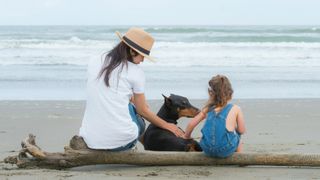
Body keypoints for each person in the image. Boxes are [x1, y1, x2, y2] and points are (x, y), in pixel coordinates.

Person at [79, 27, 184, 151]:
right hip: (121, 144)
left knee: (121, 103)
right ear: (132, 51)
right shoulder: (136, 72)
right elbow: (143, 110)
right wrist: (167, 126)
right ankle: (131, 145)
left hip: (90, 140)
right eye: (142, 55)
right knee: (139, 117)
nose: (143, 60)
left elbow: (103, 90)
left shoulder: (94, 60)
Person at [184, 75, 246, 158]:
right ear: (230, 92)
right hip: (224, 149)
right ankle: (239, 159)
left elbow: (191, 124)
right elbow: (242, 130)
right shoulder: (236, 109)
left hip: (207, 149)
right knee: (238, 138)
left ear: (211, 93)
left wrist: (186, 136)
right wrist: (234, 129)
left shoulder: (207, 109)